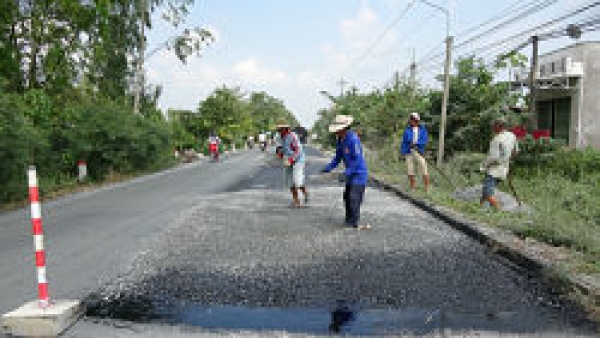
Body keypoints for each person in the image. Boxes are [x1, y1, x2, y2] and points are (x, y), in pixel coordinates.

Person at [321, 115, 370, 230]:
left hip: (358, 174)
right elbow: (338, 157)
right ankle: (348, 219)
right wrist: (328, 168)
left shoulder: (353, 139)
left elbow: (357, 161)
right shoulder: (340, 140)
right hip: (350, 173)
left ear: (344, 128)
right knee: (346, 197)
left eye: (338, 129)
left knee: (354, 198)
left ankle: (354, 222)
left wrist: (345, 173)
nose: (336, 132)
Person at [480, 117, 519, 210]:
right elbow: (516, 151)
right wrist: (508, 160)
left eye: (493, 126)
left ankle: (498, 209)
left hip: (494, 171)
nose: (492, 128)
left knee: (487, 193)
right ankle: (479, 207)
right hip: (505, 169)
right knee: (486, 190)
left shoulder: (496, 139)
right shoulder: (512, 135)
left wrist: (483, 166)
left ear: (498, 127)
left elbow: (494, 159)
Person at [276, 119, 308, 207]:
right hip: (287, 158)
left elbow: (298, 150)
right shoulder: (278, 137)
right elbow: (279, 148)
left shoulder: (292, 136)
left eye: (282, 128)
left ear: (286, 128)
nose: (280, 130)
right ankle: (296, 200)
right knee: (290, 181)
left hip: (298, 159)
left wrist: (292, 160)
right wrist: (280, 154)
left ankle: (305, 191)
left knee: (298, 181)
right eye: (279, 129)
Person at [400, 112, 429, 192]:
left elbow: (424, 140)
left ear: (417, 120)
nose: (413, 121)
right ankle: (412, 187)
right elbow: (405, 140)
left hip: (419, 151)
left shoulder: (422, 129)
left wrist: (417, 144)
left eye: (414, 120)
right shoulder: (407, 130)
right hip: (409, 151)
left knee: (423, 166)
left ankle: (426, 188)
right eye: (411, 119)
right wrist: (403, 151)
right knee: (410, 169)